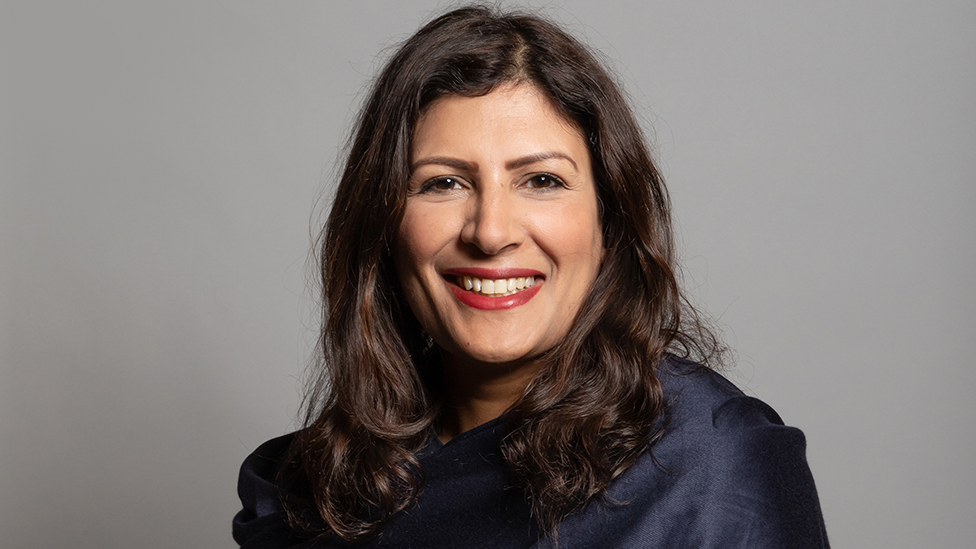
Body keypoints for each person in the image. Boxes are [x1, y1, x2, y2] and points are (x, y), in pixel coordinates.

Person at [233, 5, 829, 548]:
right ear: (383, 225)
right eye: (444, 182)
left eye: (541, 181)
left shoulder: (715, 467)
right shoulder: (308, 493)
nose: (490, 232)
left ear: (609, 221)